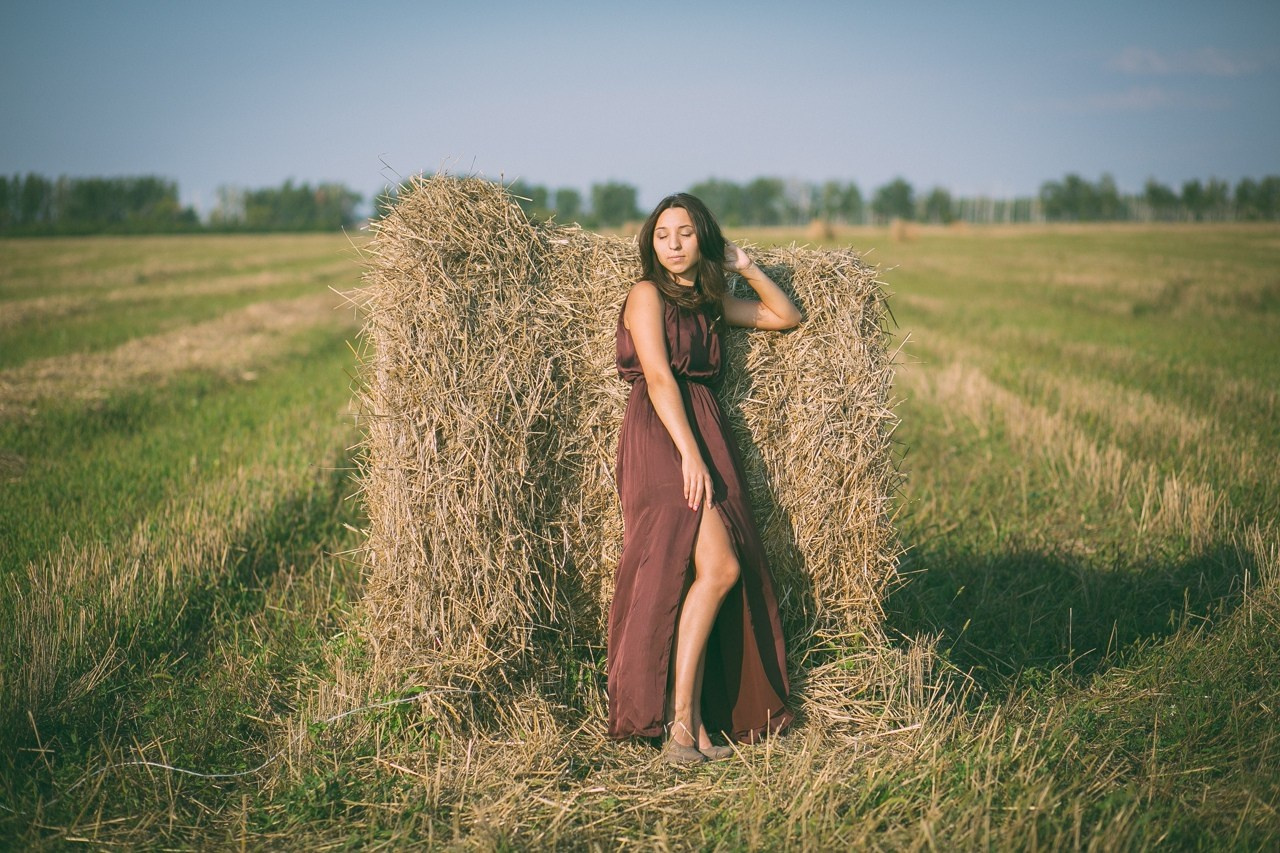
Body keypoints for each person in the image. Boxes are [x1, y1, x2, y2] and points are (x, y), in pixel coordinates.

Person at [607, 193, 802, 765]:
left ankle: (685, 722)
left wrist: (744, 266)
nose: (673, 244)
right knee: (707, 565)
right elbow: (661, 379)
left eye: (686, 233)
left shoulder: (711, 300)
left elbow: (785, 317)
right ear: (651, 242)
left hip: (704, 426)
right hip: (662, 428)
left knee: (721, 568)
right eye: (663, 234)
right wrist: (690, 455)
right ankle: (679, 725)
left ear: (703, 239)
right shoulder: (644, 294)